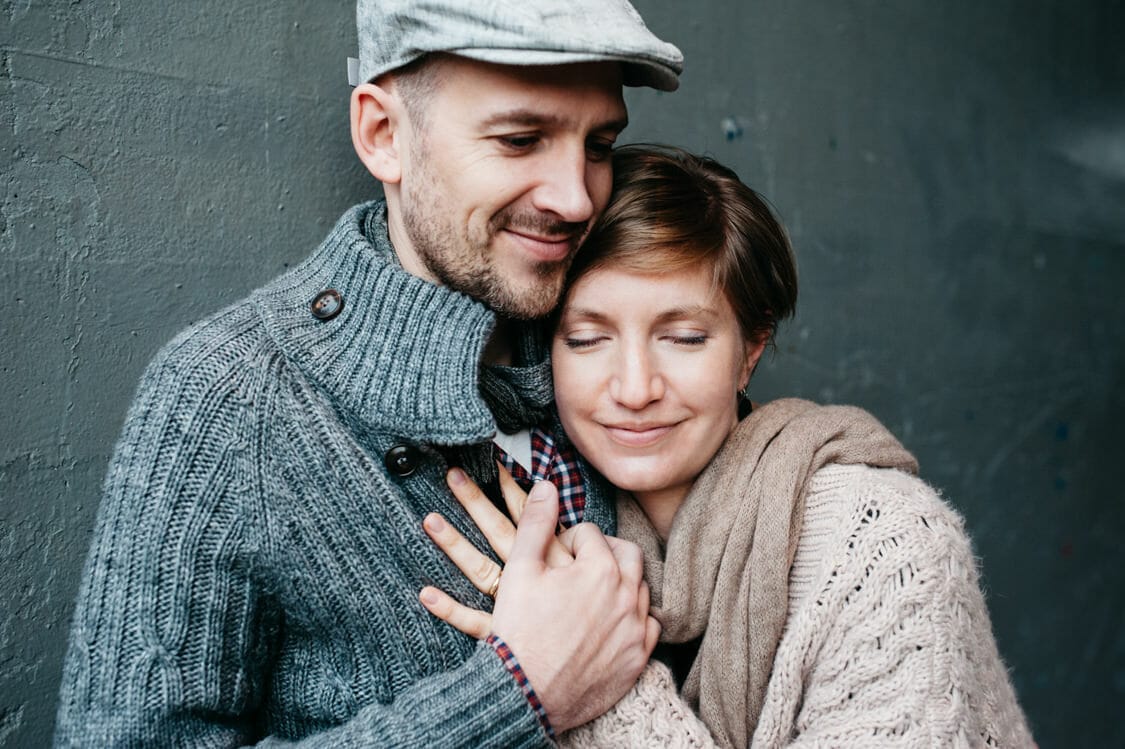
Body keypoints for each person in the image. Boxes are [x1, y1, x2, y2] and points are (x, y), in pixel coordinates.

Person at [53, 2, 684, 746]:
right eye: (520, 139)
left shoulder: (613, 351)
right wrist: (513, 693)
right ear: (383, 135)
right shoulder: (231, 396)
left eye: (600, 144)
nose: (575, 197)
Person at [420, 145, 1035, 747]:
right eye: (585, 340)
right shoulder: (558, 535)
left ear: (750, 351)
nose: (635, 389)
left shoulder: (888, 543)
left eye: (684, 338)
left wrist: (591, 678)